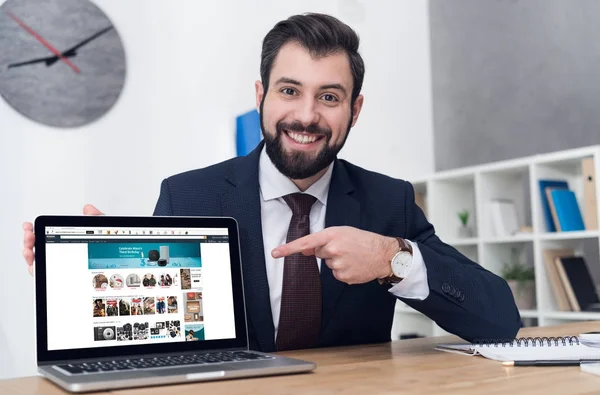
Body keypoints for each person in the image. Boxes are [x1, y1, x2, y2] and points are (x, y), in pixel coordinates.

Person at [22, 13, 520, 352]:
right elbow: (160, 333)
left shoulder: (387, 201)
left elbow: (498, 320)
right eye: (289, 90)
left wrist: (393, 259)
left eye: (329, 96)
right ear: (261, 95)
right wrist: (93, 278)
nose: (306, 115)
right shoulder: (188, 196)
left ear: (355, 110)